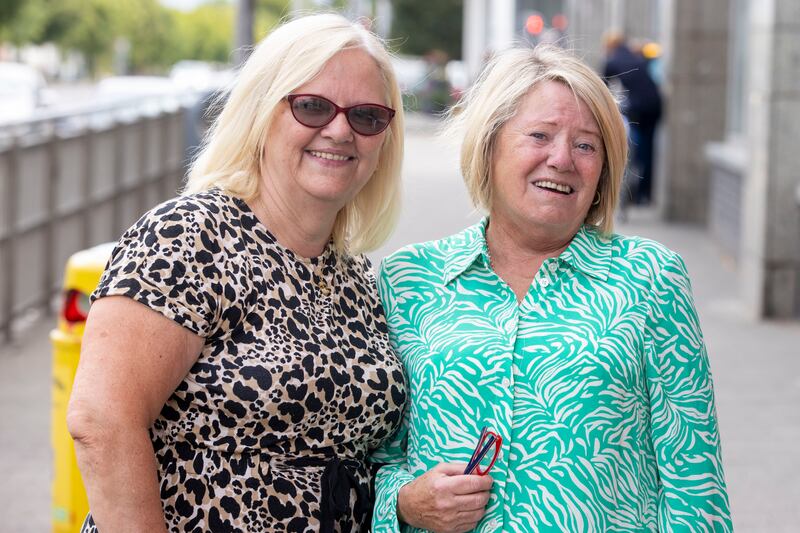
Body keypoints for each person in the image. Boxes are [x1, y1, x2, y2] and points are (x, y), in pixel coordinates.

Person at [67, 13, 407, 532]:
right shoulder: (189, 236)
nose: (340, 130)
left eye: (366, 116)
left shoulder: (355, 275)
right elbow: (102, 422)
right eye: (312, 106)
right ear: (261, 112)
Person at [372, 45, 731, 532]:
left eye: (586, 145)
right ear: (490, 144)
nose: (561, 159)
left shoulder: (650, 277)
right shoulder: (410, 278)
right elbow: (377, 457)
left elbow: (695, 482)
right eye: (539, 135)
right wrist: (405, 503)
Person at [603, 32, 663, 205]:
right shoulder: (635, 56)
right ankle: (644, 193)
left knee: (635, 148)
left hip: (638, 109)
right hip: (655, 105)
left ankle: (633, 191)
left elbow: (602, 89)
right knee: (648, 150)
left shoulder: (613, 61)